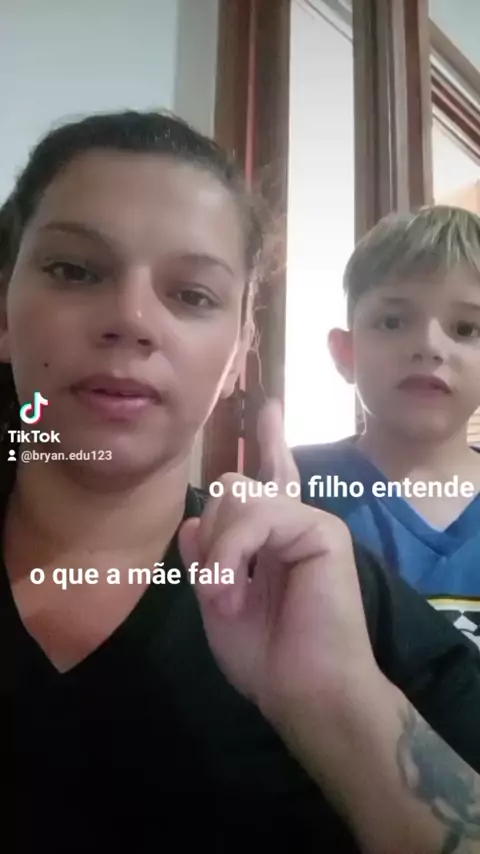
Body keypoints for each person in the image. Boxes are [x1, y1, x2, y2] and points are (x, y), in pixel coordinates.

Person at [2, 111, 480, 854]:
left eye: (193, 294)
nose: (131, 319)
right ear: (5, 313)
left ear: (238, 352)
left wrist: (339, 703)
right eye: (75, 270)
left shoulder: (333, 591)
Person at [294, 207, 480, 646]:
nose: (429, 346)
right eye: (393, 322)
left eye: (465, 327)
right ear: (345, 353)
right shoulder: (294, 487)